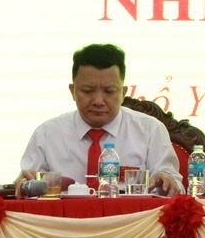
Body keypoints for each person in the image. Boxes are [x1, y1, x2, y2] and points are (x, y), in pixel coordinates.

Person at [18, 43, 183, 195]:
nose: (98, 101)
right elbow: (24, 187)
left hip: (132, 217)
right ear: (72, 91)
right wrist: (23, 184)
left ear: (123, 93)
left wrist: (167, 181)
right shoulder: (46, 134)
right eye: (88, 91)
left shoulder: (150, 130)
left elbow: (176, 188)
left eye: (109, 91)